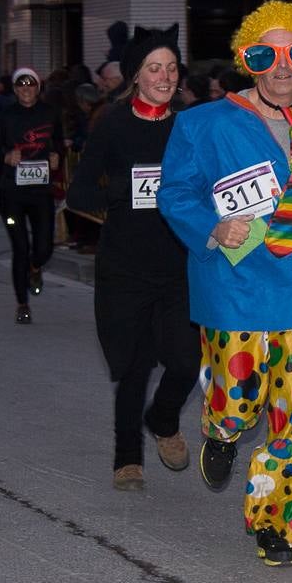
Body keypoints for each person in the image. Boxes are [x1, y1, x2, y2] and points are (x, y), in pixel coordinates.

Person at [158, 0, 292, 567]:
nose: (281, 67)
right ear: (247, 60)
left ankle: (275, 524)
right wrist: (212, 225)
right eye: (265, 55)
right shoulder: (202, 124)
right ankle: (222, 432)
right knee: (237, 401)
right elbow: (174, 194)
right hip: (235, 285)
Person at [66, 25, 198, 492]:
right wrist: (120, 190)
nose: (164, 76)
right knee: (135, 365)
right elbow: (79, 192)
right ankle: (127, 459)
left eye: (171, 68)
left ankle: (162, 419)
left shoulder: (189, 124)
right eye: (154, 68)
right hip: (125, 265)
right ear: (135, 76)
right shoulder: (114, 124)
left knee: (186, 362)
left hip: (179, 264)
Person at [0, 67, 62, 324]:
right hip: (12, 194)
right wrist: (6, 156)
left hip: (41, 192)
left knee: (44, 248)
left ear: (38, 88)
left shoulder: (50, 113)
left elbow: (60, 144)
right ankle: (22, 304)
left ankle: (35, 268)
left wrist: (57, 157)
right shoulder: (5, 115)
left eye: (31, 85)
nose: (26, 90)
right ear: (15, 89)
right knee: (20, 247)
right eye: (21, 85)